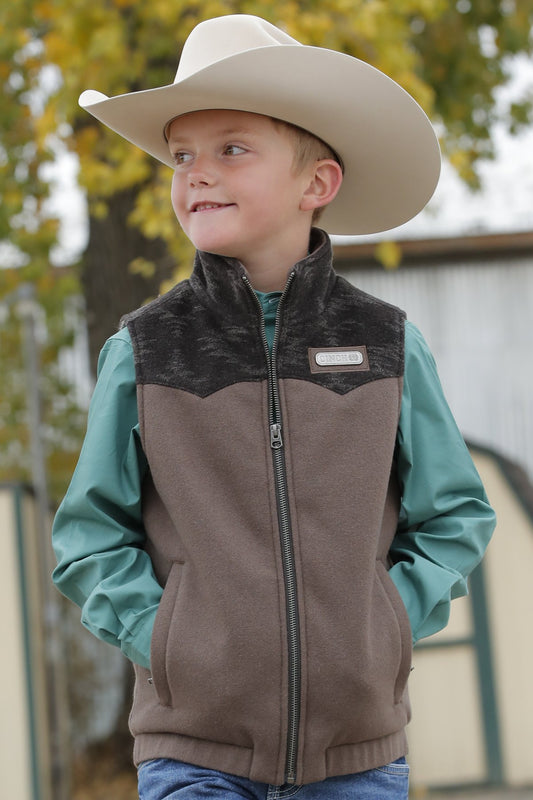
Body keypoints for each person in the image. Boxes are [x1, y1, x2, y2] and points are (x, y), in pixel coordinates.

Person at [52, 14, 496, 800]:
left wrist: (383, 623)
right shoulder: (145, 350)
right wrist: (165, 640)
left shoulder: (386, 345)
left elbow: (455, 515)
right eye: (182, 154)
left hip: (359, 758)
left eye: (231, 148)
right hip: (192, 753)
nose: (196, 173)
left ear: (314, 184)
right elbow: (89, 536)